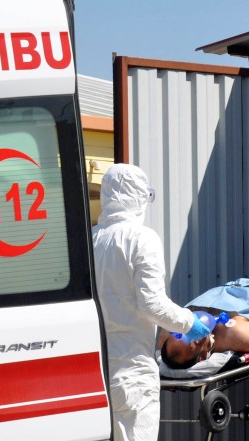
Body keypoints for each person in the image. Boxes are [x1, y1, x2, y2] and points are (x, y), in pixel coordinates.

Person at [92, 163, 213, 441]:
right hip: (133, 372)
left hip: (98, 372)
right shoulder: (142, 238)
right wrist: (191, 323)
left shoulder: (92, 239)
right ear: (137, 196)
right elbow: (152, 304)